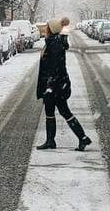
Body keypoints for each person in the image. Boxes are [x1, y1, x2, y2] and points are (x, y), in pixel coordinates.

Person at [36, 18, 92, 151]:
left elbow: (56, 67)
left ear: (52, 29)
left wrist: (50, 86)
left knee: (64, 112)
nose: (45, 29)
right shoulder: (52, 42)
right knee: (52, 112)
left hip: (56, 86)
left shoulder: (55, 44)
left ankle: (82, 138)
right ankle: (51, 141)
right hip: (55, 84)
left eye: (47, 27)